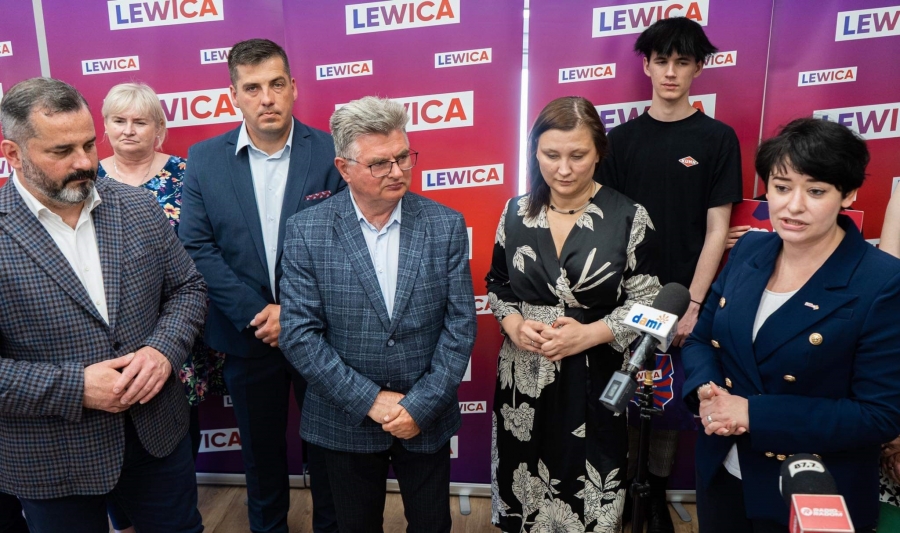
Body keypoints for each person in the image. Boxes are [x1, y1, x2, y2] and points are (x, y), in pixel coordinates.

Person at [0, 77, 206, 532]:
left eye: (89, 144)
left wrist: (161, 351)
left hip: (156, 436)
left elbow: (188, 289)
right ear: (13, 154)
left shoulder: (138, 207)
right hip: (50, 456)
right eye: (61, 151)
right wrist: (74, 387)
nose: (84, 162)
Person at [682, 117, 900, 533]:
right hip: (722, 475)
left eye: (815, 191)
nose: (793, 206)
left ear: (848, 193)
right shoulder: (749, 249)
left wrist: (753, 412)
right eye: (781, 187)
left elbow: (878, 415)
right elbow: (701, 340)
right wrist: (706, 390)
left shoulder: (882, 281)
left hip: (813, 491)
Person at [279, 96, 476, 533]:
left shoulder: (444, 225)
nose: (397, 171)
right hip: (343, 418)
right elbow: (299, 335)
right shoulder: (306, 231)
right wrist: (370, 400)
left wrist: (419, 406)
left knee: (432, 526)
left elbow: (461, 325)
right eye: (379, 163)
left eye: (403, 157)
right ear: (344, 168)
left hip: (425, 417)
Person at [179, 38, 343, 533]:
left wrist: (293, 314)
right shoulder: (204, 159)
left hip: (321, 334)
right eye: (252, 88)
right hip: (248, 337)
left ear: (294, 87)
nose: (266, 99)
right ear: (234, 95)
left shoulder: (332, 152)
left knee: (331, 457)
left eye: (276, 84)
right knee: (261, 458)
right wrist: (259, 314)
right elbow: (197, 246)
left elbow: (345, 245)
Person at [487, 96, 661, 532]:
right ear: (535, 152)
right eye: (551, 155)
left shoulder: (629, 217)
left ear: (599, 152)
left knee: (588, 491)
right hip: (523, 376)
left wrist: (591, 334)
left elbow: (649, 303)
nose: (563, 169)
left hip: (596, 377)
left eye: (578, 155)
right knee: (523, 483)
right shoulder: (515, 213)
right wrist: (513, 323)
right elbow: (498, 284)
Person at [598, 17, 743, 531]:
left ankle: (655, 496)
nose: (671, 72)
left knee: (667, 404)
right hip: (625, 298)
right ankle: (621, 495)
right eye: (662, 61)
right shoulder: (620, 141)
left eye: (683, 62)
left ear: (698, 69)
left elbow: (717, 228)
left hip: (687, 297)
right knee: (623, 397)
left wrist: (694, 304)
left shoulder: (717, 138)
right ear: (647, 65)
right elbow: (607, 228)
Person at [97, 81, 226, 533]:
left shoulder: (189, 176)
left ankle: (170, 509)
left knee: (174, 425)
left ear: (159, 128)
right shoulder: (85, 180)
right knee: (111, 426)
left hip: (178, 326)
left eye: (140, 121)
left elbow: (210, 247)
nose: (128, 130)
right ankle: (124, 521)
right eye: (118, 120)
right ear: (104, 126)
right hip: (108, 334)